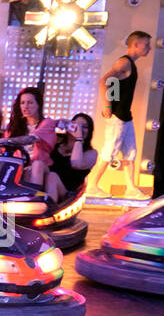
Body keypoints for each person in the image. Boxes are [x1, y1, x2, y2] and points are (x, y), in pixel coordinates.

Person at [89, 30, 152, 200]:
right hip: (117, 117)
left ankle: (131, 189)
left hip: (125, 116)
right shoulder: (124, 63)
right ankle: (92, 185)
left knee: (130, 152)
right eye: (146, 45)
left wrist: (113, 102)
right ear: (136, 44)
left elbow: (114, 85)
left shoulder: (130, 64)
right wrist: (108, 106)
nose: (149, 48)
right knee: (110, 150)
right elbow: (105, 81)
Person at [5, 86, 57, 186]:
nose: (25, 106)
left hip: (40, 166)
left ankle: (34, 198)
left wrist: (7, 141)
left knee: (36, 165)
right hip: (19, 166)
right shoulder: (14, 127)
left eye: (30, 102)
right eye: (22, 103)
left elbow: (31, 139)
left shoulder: (47, 123)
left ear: (38, 105)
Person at [46, 113, 97, 202]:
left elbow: (76, 164)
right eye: (76, 125)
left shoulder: (91, 153)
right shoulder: (57, 140)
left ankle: (49, 210)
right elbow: (40, 134)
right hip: (45, 186)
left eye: (84, 127)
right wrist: (57, 123)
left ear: (89, 132)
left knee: (52, 176)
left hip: (67, 194)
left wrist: (79, 139)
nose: (79, 129)